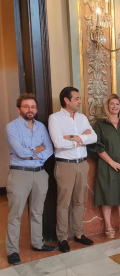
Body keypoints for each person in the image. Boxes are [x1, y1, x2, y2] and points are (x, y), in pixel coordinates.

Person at [5, 94, 56, 265]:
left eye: (33, 107)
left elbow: (49, 149)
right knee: (15, 215)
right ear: (19, 109)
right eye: (26, 106)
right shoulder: (11, 127)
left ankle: (37, 243)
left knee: (37, 211)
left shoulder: (41, 127)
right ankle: (12, 251)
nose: (30, 110)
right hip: (20, 173)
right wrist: (37, 150)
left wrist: (32, 153)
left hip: (40, 173)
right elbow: (21, 152)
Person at [48, 87, 97, 253]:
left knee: (79, 201)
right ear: (66, 100)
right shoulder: (54, 118)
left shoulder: (82, 118)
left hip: (82, 164)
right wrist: (82, 139)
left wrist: (74, 137)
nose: (80, 101)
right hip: (65, 164)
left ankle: (78, 234)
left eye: (80, 98)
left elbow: (94, 138)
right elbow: (58, 143)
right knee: (63, 204)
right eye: (76, 98)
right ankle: (62, 238)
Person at [88, 94, 120, 239]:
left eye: (117, 104)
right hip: (107, 165)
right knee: (107, 194)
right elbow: (97, 147)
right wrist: (112, 162)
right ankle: (108, 225)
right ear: (107, 107)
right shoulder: (100, 124)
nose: (115, 106)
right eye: (112, 104)